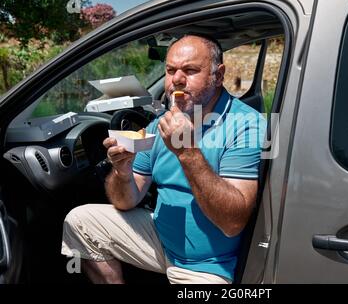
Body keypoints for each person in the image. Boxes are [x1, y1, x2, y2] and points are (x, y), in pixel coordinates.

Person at [61, 34, 266, 284]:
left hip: (209, 266)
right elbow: (126, 201)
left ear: (219, 75)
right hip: (162, 241)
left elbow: (232, 223)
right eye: (170, 70)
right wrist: (121, 172)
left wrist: (187, 151)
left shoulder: (246, 125)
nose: (177, 80)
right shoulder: (160, 124)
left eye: (190, 70)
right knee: (80, 223)